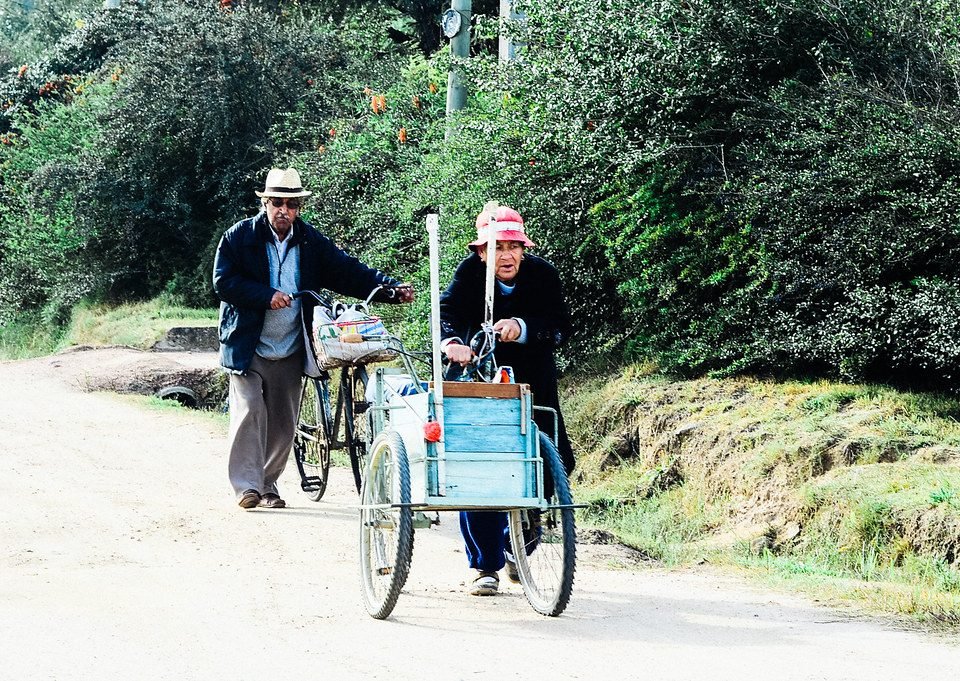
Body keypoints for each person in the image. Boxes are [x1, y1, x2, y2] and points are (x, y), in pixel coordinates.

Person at [213, 167, 414, 510]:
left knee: (283, 421)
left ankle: (268, 483)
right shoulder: (239, 237)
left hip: (291, 343)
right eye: (277, 203)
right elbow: (223, 282)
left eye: (291, 205)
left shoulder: (310, 241)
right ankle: (246, 487)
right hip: (248, 342)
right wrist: (265, 295)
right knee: (250, 412)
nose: (283, 211)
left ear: (299, 208)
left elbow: (347, 270)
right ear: (265, 203)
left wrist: (389, 289)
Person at [439, 204, 573, 596]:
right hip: (484, 380)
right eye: (497, 248)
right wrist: (454, 344)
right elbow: (446, 312)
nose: (507, 255)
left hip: (535, 385)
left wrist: (523, 328)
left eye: (514, 246)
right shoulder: (468, 275)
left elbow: (561, 326)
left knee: (554, 465)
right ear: (481, 252)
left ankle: (522, 540)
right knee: (482, 467)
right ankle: (484, 566)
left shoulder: (543, 276)